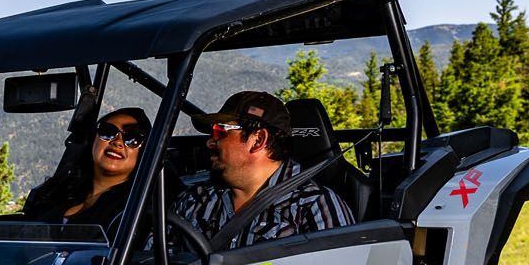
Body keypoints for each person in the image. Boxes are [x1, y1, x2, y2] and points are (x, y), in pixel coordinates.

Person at [175, 91, 350, 249]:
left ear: (258, 140)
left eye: (220, 131)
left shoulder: (313, 205)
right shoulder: (195, 199)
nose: (210, 142)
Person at [22, 106, 151, 229]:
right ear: (92, 139)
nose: (117, 142)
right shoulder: (54, 192)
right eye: (108, 131)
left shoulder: (139, 210)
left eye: (132, 139)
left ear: (145, 152)